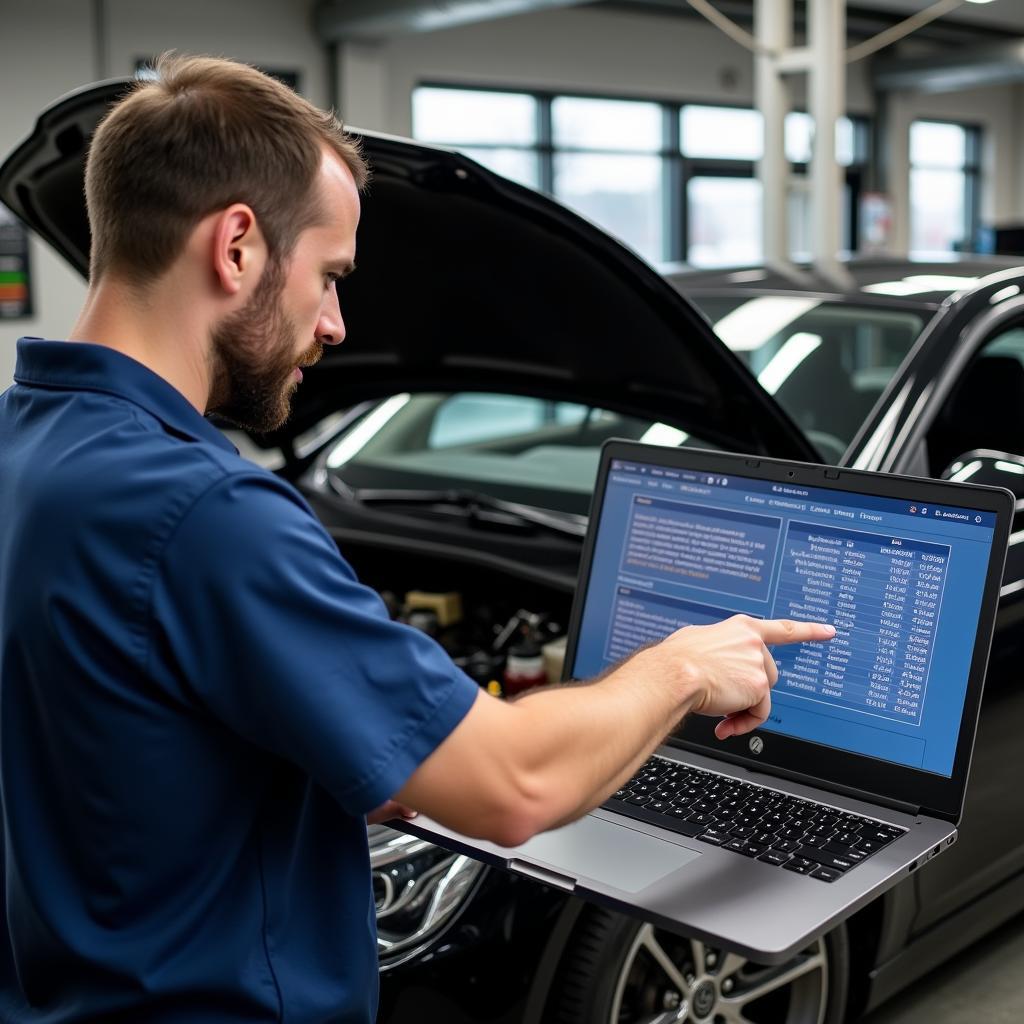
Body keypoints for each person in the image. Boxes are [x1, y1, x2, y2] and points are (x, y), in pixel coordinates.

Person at [0, 54, 835, 1023]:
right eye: (329, 277)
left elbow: (104, 734)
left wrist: (338, 752)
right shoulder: (208, 516)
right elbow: (515, 784)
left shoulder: (27, 446)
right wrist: (684, 667)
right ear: (236, 247)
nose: (338, 323)